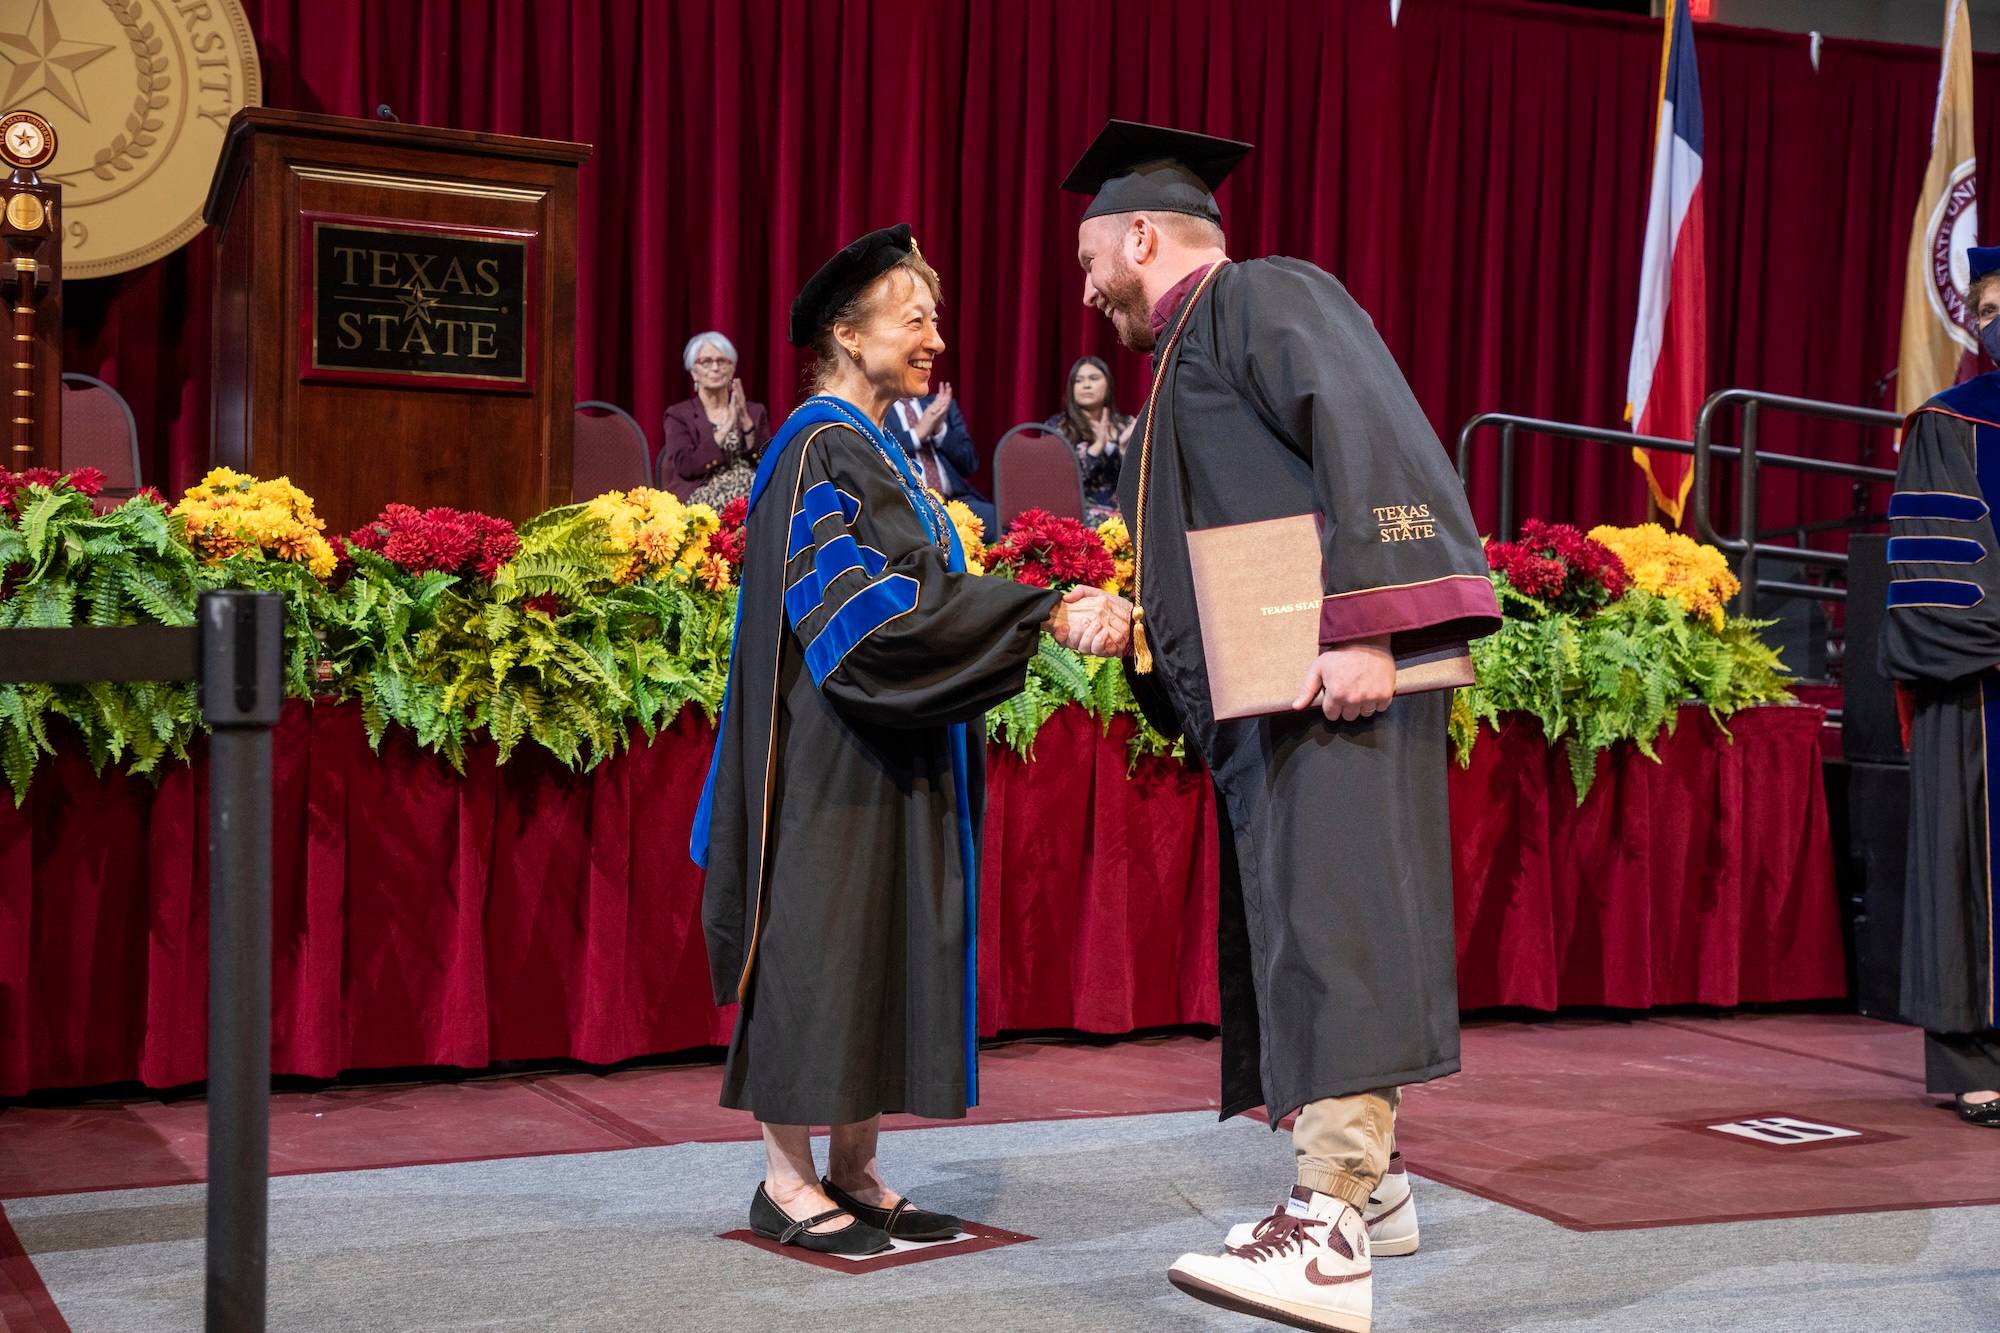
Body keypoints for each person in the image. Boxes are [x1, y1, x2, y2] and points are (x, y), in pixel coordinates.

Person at [1059, 120, 1500, 1331]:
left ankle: (1326, 1225)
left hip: (1334, 677)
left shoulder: (1260, 296)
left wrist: (1370, 626)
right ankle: (1381, 1185)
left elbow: (1369, 435)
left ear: (1138, 235)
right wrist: (1138, 622)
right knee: (1309, 922)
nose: (1086, 286)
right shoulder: (1181, 368)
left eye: (1088, 256)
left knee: (1339, 922)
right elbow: (1238, 544)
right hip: (1278, 696)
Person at [691, 223, 1126, 1257]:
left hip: (895, 736)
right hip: (830, 750)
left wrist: (1031, 611)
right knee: (820, 943)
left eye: (935, 316)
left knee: (877, 942)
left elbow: (923, 594)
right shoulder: (810, 446)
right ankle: (785, 1179)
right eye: (912, 315)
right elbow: (868, 617)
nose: (934, 335)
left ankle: (853, 1166)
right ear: (846, 331)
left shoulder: (883, 448)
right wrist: (1040, 613)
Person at [1877, 241, 2000, 1132]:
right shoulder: (1951, 423)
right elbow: (1938, 572)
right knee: (1975, 864)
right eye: (1986, 307)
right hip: (1985, 685)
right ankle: (1977, 1059)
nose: (1993, 320)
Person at [659, 332, 772, 506]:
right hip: (701, 494)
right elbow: (686, 466)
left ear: (732, 369)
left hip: (752, 491)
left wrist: (745, 421)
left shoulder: (754, 411)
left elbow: (769, 462)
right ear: (694, 373)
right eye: (706, 362)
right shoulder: (679, 415)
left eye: (722, 361)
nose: (715, 368)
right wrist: (724, 429)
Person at [882, 381, 999, 537]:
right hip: (911, 503)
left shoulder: (939, 404)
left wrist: (939, 430)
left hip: (955, 501)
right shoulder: (880, 408)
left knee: (1000, 521)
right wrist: (917, 434)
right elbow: (879, 453)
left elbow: (970, 463)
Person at [1041, 354, 1135, 522]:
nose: (1086, 385)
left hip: (1123, 514)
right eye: (1079, 380)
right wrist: (1097, 447)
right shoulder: (1057, 428)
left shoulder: (1126, 425)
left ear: (1108, 385)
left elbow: (1140, 480)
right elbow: (1058, 482)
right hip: (1075, 515)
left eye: (1093, 378)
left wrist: (1126, 450)